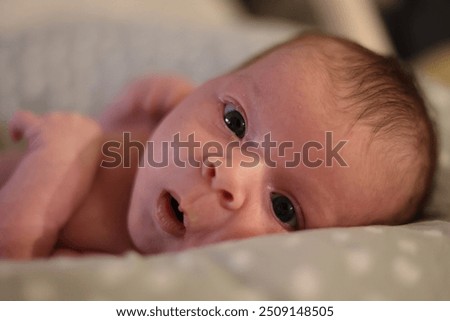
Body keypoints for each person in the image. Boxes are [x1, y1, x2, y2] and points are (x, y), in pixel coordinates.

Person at [0, 33, 436, 259]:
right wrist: (124, 121)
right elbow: (113, 157)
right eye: (234, 120)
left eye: (284, 208)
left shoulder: (134, 276)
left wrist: (53, 160)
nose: (227, 172)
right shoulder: (159, 145)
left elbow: (16, 271)